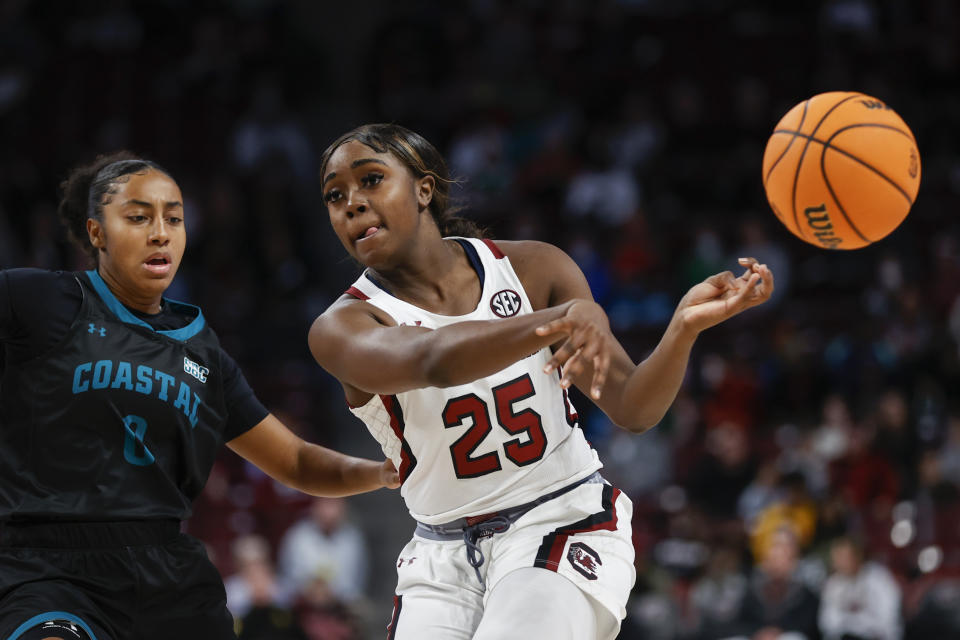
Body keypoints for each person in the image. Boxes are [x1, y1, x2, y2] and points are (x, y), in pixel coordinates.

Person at [307, 123, 774, 640]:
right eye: (335, 195)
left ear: (424, 188)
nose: (351, 203)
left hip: (560, 519)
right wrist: (564, 318)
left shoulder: (532, 267)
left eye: (371, 180)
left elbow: (634, 409)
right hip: (440, 558)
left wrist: (682, 330)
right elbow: (432, 359)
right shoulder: (340, 328)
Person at [0, 152, 401, 640]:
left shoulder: (201, 348)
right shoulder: (39, 301)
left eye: (174, 218)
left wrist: (379, 471)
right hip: (51, 567)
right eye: (138, 217)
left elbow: (294, 461)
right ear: (96, 233)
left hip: (166, 574)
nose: (160, 232)